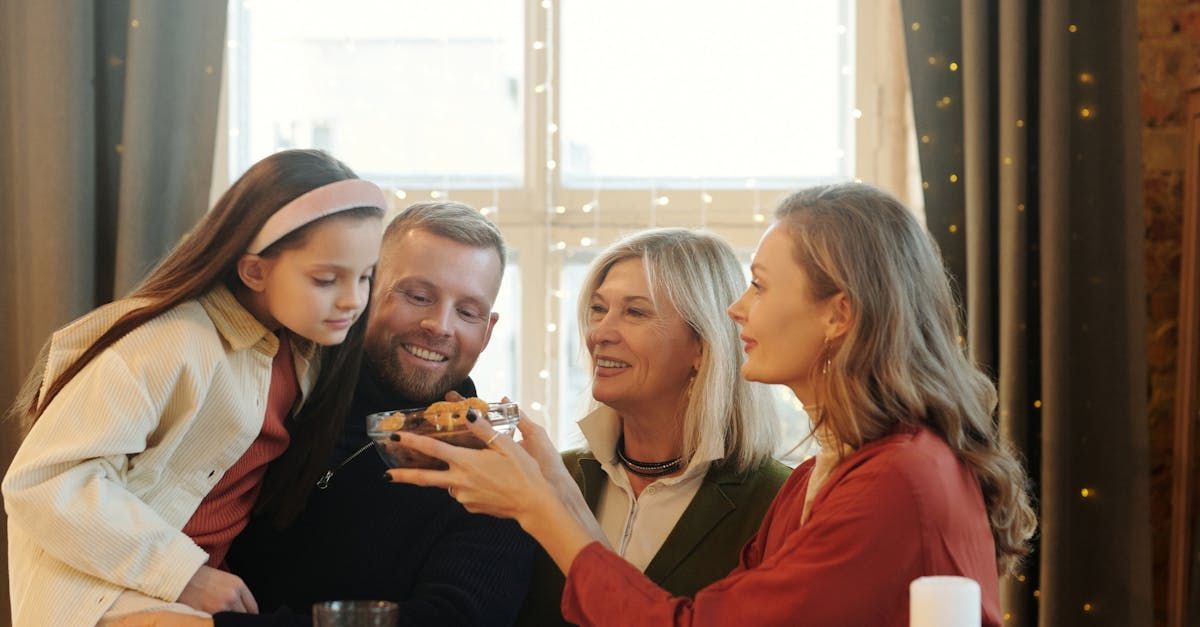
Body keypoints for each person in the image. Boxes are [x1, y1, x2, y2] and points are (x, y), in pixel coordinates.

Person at [387, 183, 1039, 626]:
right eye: (599, 309)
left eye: (758, 285)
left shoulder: (900, 479)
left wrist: (540, 506)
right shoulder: (828, 473)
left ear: (839, 313)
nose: (737, 308)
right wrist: (555, 484)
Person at [2, 149, 387, 626]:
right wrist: (185, 574)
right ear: (254, 270)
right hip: (103, 594)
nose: (353, 299)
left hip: (198, 592)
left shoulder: (303, 350)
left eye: (366, 276)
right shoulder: (169, 344)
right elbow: (44, 481)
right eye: (327, 279)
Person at [214, 201, 534, 626]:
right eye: (418, 296)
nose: (439, 325)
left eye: (467, 312)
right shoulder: (275, 392)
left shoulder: (498, 472)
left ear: (488, 331)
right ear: (365, 290)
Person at [515, 228, 790, 626]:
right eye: (597, 309)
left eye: (635, 312)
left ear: (701, 345)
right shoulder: (552, 478)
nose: (600, 334)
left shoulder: (777, 502)